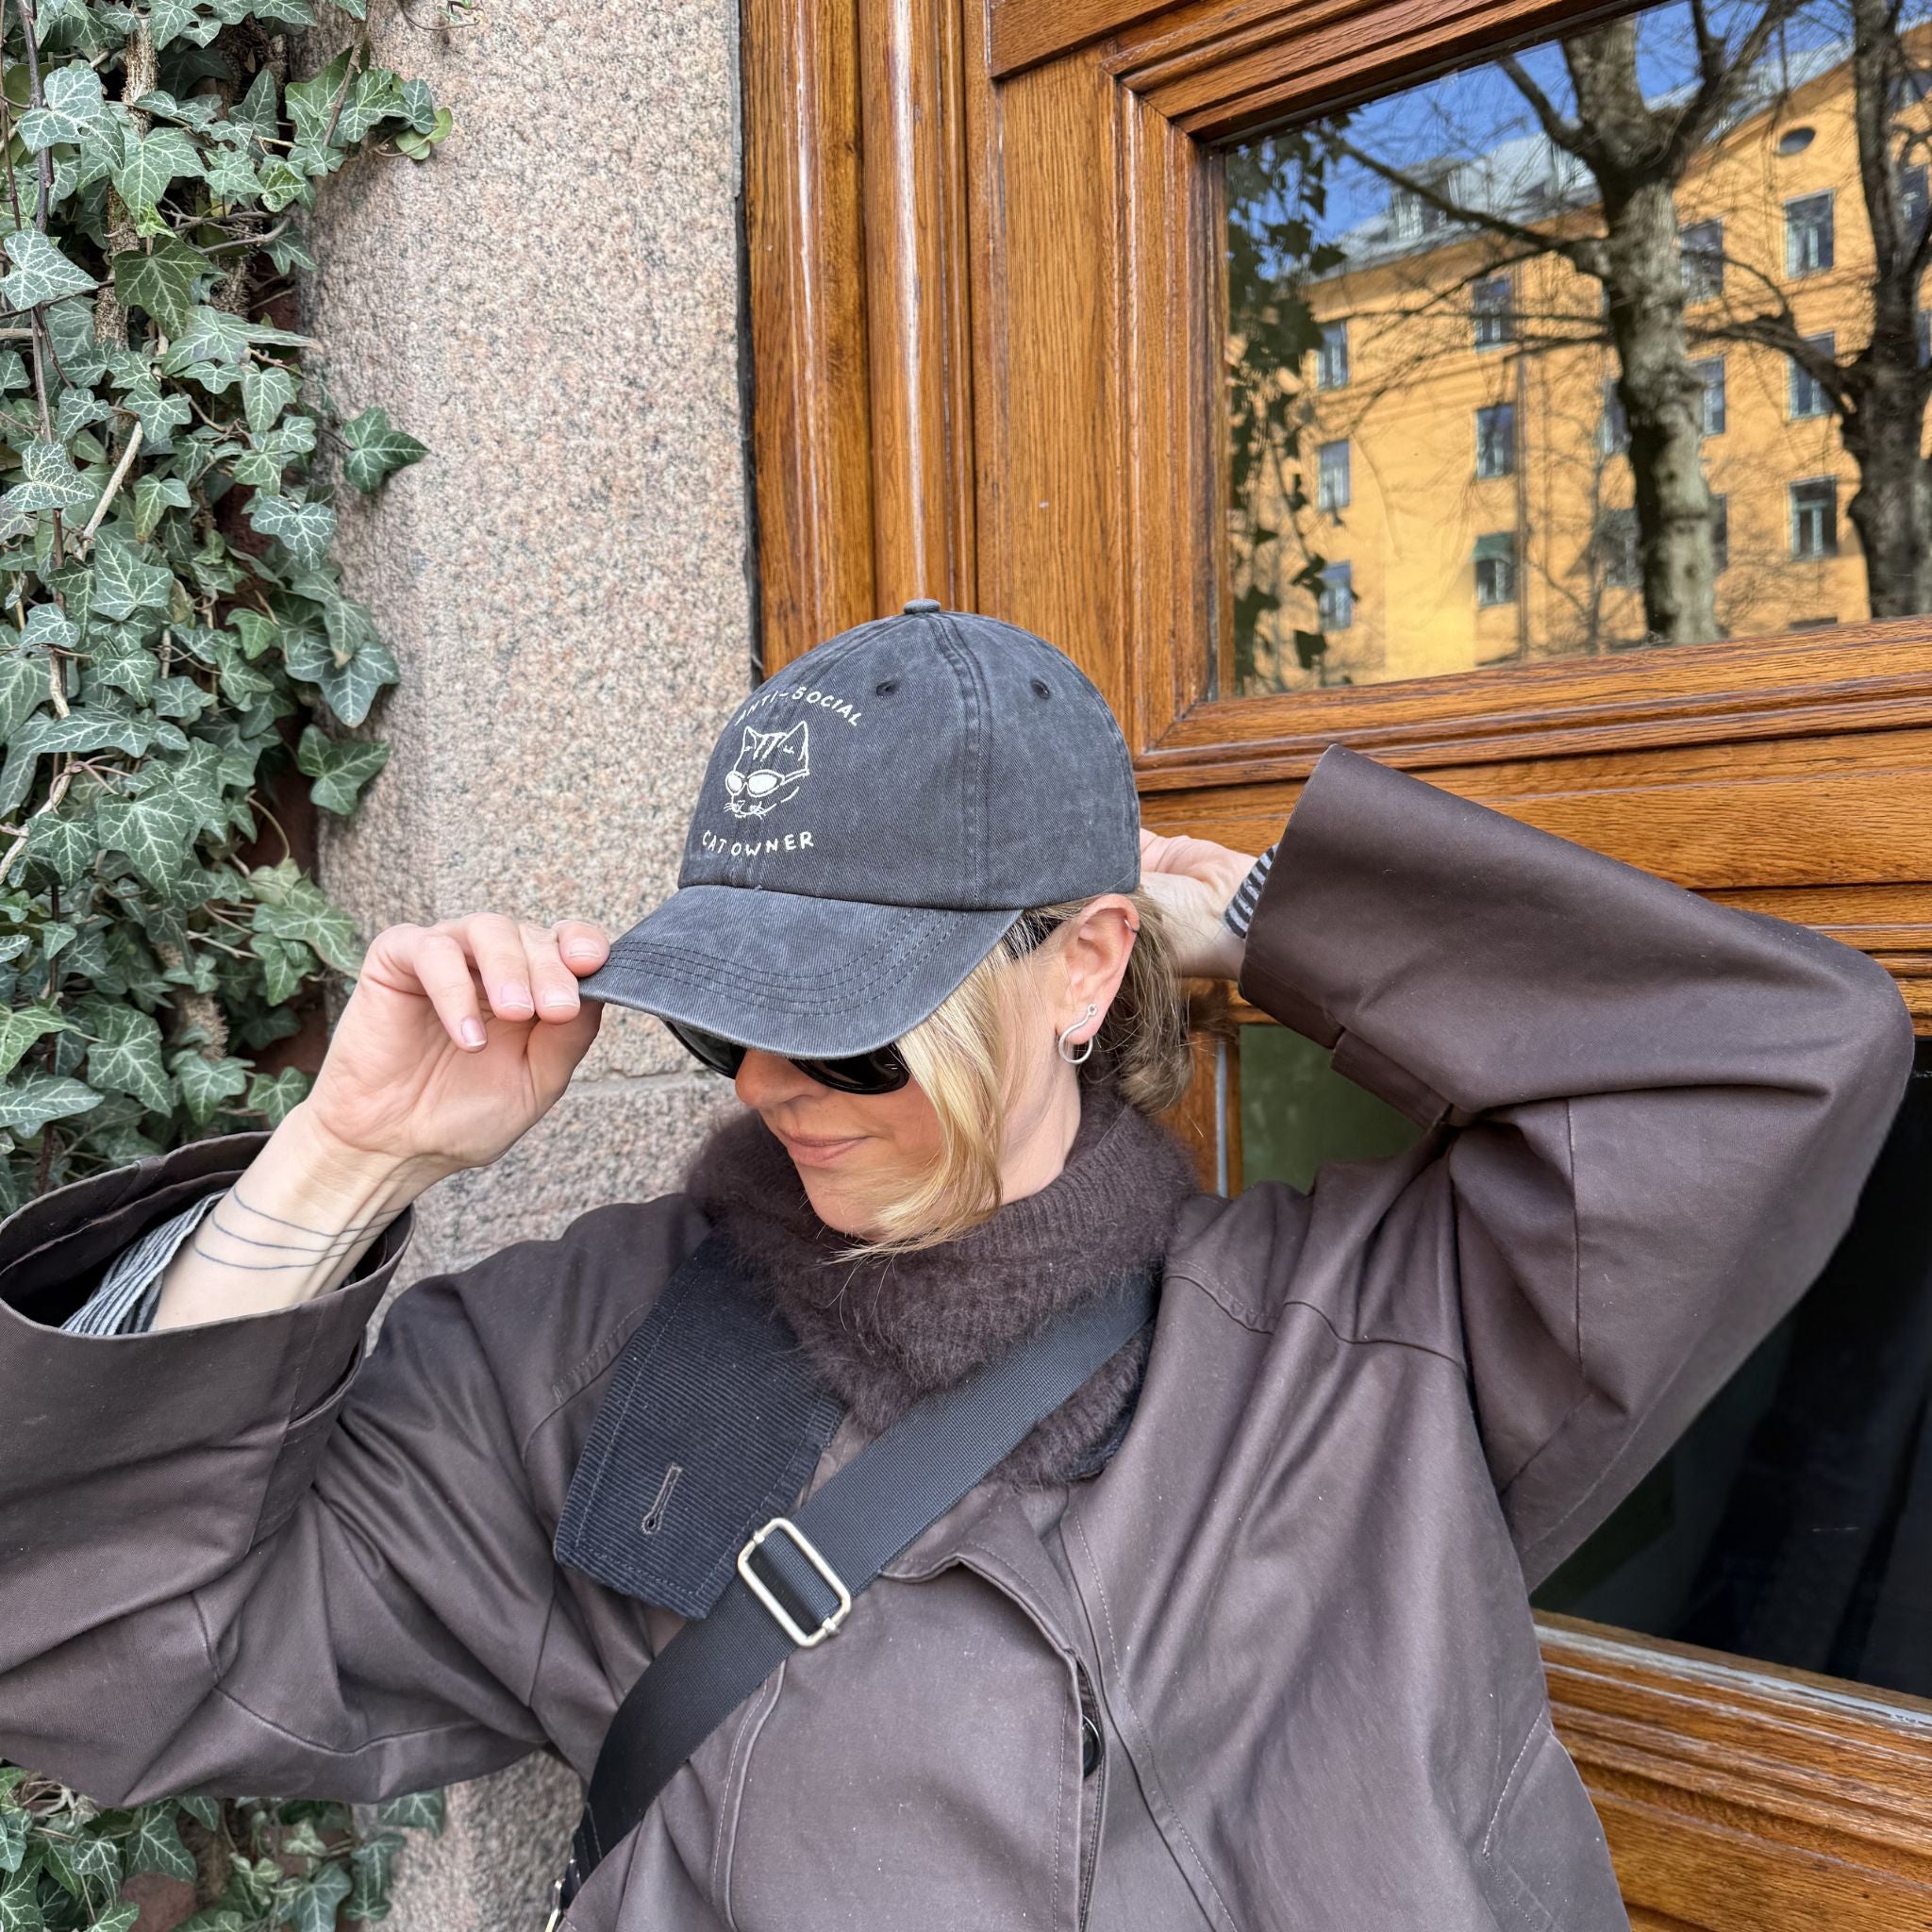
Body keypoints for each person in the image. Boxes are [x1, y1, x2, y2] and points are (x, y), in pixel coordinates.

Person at [0, 604, 1912, 1932]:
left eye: (845, 1026)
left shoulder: (1390, 1335)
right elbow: (89, 1642)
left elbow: (1780, 1064)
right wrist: (350, 1157)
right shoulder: (573, 1359)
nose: (769, 1087)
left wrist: (1262, 917)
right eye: (723, 1016)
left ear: (1079, 968)